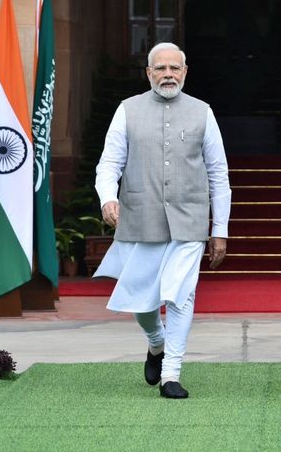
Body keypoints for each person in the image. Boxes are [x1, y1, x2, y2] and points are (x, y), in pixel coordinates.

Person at [94, 42, 231, 399]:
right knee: (143, 298)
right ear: (149, 73)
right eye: (160, 68)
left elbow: (218, 174)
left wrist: (220, 230)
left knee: (181, 295)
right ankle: (156, 341)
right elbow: (109, 163)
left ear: (185, 72)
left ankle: (171, 373)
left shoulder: (203, 112)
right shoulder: (127, 110)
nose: (168, 74)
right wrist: (108, 198)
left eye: (174, 68)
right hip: (141, 218)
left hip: (189, 220)